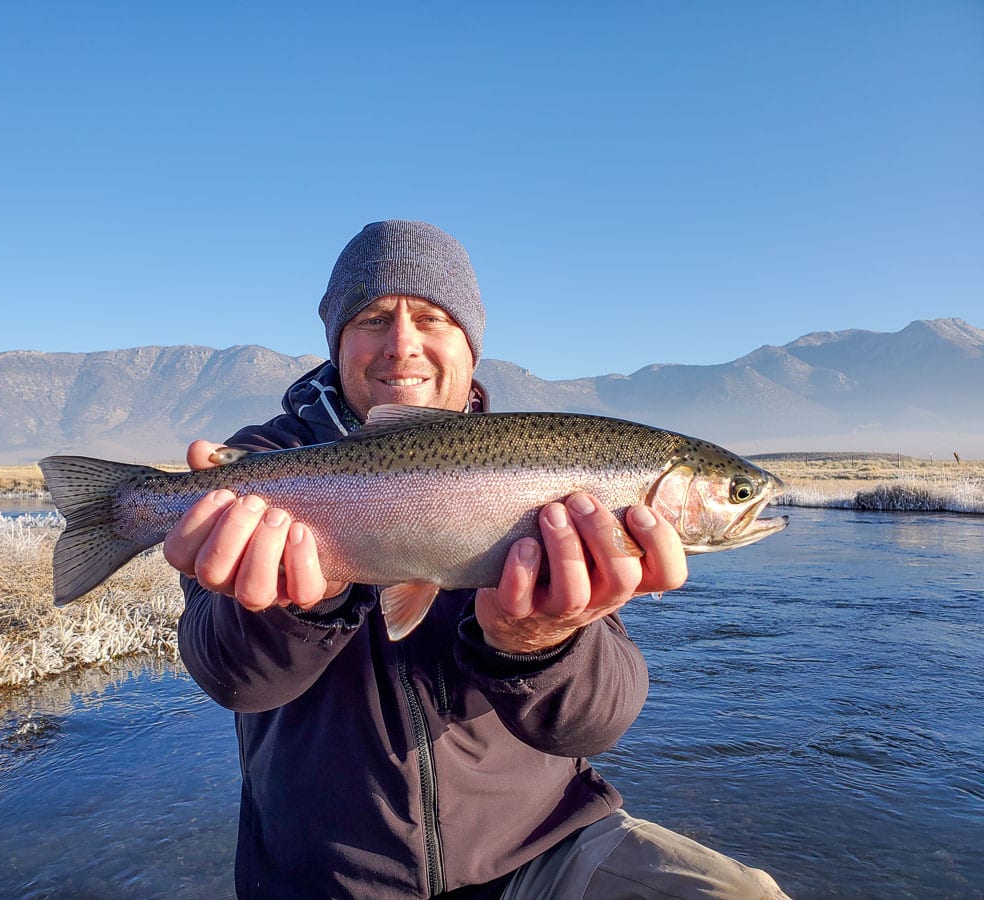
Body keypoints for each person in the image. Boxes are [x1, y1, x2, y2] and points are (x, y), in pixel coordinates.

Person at [164, 221, 790, 899]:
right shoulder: (263, 467)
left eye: (431, 318)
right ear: (337, 341)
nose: (403, 343)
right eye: (374, 317)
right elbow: (231, 679)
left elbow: (596, 724)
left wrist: (539, 640)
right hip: (327, 880)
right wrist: (299, 603)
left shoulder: (546, 462)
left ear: (470, 344)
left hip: (540, 853)